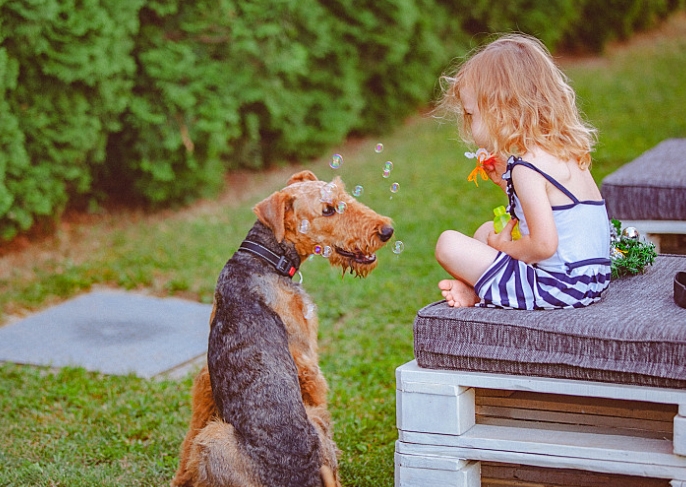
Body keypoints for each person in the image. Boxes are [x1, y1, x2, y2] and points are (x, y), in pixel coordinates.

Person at [434, 33, 611, 309]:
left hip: (559, 287)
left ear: (500, 111)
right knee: (484, 234)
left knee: (449, 244)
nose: (468, 125)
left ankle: (479, 293)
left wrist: (505, 248)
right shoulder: (562, 150)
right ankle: (478, 291)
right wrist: (505, 186)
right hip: (591, 280)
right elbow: (554, 211)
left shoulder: (526, 168)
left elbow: (543, 246)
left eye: (471, 114)